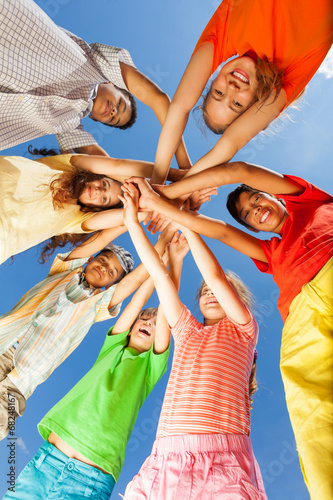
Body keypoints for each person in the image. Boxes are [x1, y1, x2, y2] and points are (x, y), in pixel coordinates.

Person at [129, 164, 333, 500]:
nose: (255, 210)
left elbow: (239, 171)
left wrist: (164, 201)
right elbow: (220, 234)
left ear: (276, 195)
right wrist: (141, 219)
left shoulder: (309, 202)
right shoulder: (269, 253)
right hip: (301, 312)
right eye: (247, 215)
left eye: (256, 199)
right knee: (313, 409)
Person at [120, 183, 266, 499]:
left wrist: (185, 218)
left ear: (237, 300)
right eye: (203, 293)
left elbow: (213, 275)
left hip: (223, 462)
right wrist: (132, 220)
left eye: (221, 290)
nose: (210, 291)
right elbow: (160, 277)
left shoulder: (243, 330)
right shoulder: (186, 331)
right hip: (166, 461)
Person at [2, 239, 179, 499]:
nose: (149, 324)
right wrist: (159, 257)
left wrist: (173, 261)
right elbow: (135, 300)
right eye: (144, 318)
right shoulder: (112, 348)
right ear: (130, 326)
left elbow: (166, 312)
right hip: (47, 460)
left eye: (156, 326)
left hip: (89, 477)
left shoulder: (151, 367)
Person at [150, 0, 332, 185]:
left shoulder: (226, 32)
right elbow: (231, 143)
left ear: (213, 78)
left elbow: (180, 107)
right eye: (237, 104)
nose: (231, 89)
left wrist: (157, 184)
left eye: (218, 93)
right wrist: (181, 191)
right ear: (256, 105)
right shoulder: (290, 75)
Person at [0, 0, 190, 166]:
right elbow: (158, 99)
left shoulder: (68, 123)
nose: (114, 112)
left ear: (95, 119)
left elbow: (108, 163)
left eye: (113, 119)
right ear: (112, 83)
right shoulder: (96, 65)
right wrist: (184, 167)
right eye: (120, 104)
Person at [0, 151, 200, 265]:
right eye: (103, 184)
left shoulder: (77, 219)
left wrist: (178, 199)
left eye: (104, 199)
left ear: (96, 208)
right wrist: (177, 177)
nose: (97, 191)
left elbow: (136, 213)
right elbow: (117, 165)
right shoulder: (68, 167)